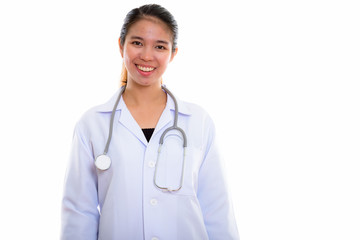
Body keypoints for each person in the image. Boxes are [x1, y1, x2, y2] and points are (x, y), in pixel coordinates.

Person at [61, 4, 239, 240]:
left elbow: (217, 208)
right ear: (120, 45)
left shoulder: (199, 122)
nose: (146, 55)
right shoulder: (92, 124)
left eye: (159, 46)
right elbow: (79, 214)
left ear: (173, 53)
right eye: (137, 43)